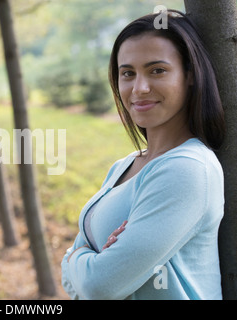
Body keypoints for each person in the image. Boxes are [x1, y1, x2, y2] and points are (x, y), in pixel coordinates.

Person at [61, 9, 226, 300]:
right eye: (128, 74)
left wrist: (76, 258)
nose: (140, 88)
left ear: (190, 75)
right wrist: (89, 260)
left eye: (157, 70)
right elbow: (85, 277)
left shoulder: (187, 169)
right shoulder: (125, 165)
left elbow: (99, 286)